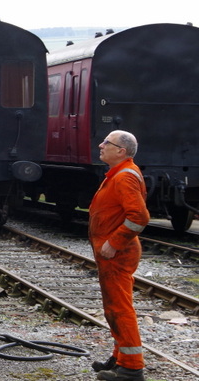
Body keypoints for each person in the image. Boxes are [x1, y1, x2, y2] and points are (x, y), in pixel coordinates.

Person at [89, 130, 150, 381]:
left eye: (107, 143)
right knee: (113, 308)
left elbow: (139, 217)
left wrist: (114, 243)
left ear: (121, 151)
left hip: (118, 254)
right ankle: (120, 358)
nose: (101, 145)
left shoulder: (124, 177)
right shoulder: (117, 174)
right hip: (112, 253)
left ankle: (132, 368)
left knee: (120, 308)